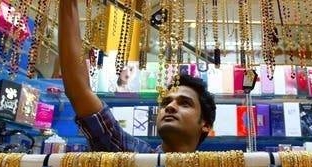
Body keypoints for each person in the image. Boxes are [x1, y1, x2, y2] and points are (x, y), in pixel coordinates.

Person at [59, 0, 216, 153]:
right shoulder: (132, 155)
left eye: (185, 103)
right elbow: (79, 92)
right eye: (166, 102)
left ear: (205, 125)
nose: (169, 107)